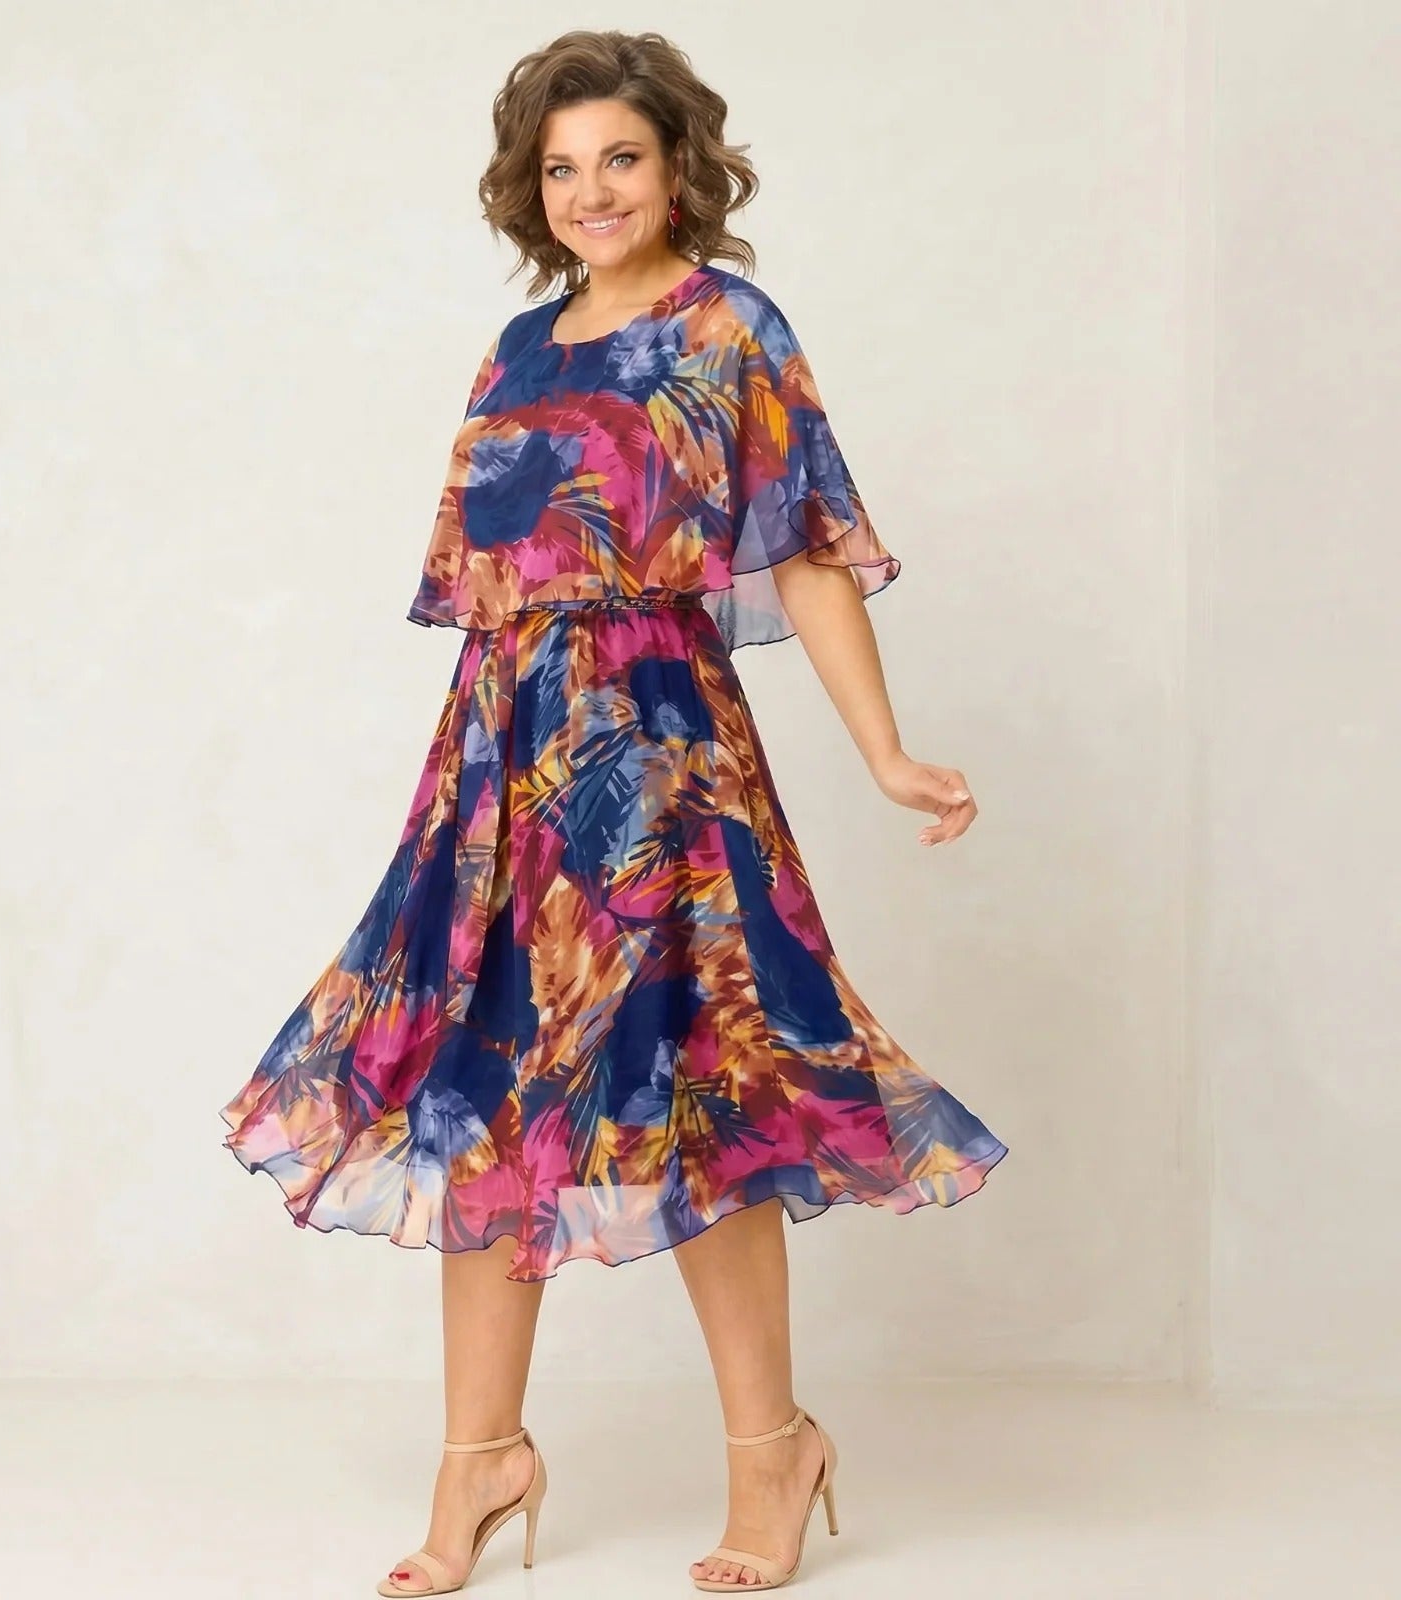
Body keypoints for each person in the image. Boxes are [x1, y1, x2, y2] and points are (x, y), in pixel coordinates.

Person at [218, 27, 1009, 1597]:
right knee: (478, 1090)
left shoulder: (728, 328)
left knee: (700, 1089)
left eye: (620, 160)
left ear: (678, 168)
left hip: (659, 761)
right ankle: (480, 1460)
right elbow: (496, 587)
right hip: (503, 765)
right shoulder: (519, 351)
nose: (591, 191)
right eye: (562, 167)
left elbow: (804, 549)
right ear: (533, 189)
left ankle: (773, 1452)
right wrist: (478, 784)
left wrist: (884, 752)